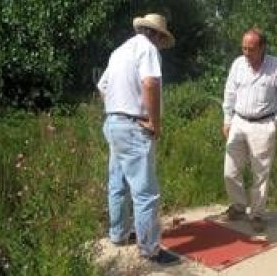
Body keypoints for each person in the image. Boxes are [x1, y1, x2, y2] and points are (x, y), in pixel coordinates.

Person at [97, 13, 179, 265]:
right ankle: (150, 249)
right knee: (146, 193)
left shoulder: (119, 51)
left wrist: (117, 106)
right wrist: (155, 121)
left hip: (113, 121)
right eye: (161, 38)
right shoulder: (147, 49)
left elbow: (102, 87)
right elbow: (151, 83)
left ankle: (119, 234)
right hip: (133, 124)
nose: (160, 44)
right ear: (156, 34)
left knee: (118, 183)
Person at [221, 28, 277, 232]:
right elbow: (229, 94)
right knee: (230, 171)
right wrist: (227, 120)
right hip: (239, 121)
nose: (246, 53)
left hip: (264, 124)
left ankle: (258, 214)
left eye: (251, 49)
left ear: (262, 48)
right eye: (243, 48)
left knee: (260, 173)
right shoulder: (238, 64)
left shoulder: (276, 66)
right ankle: (238, 205)